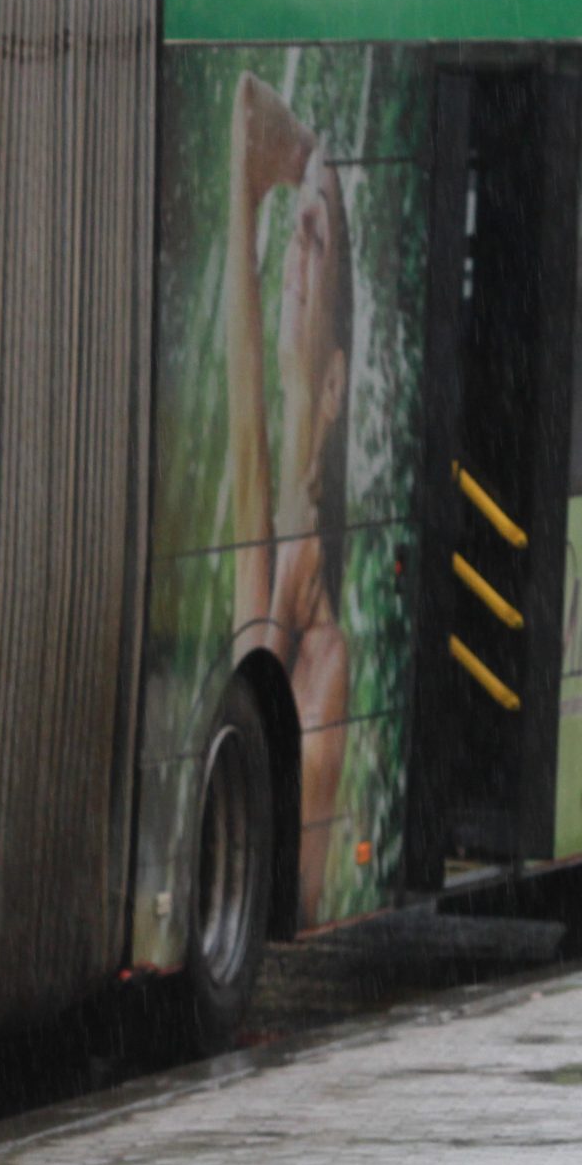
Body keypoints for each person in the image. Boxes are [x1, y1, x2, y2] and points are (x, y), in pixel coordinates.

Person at [225, 72, 353, 927]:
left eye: (313, 244)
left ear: (337, 384)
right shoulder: (274, 554)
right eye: (297, 240)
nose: (293, 269)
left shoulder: (330, 660)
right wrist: (261, 181)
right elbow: (247, 416)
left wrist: (267, 175)